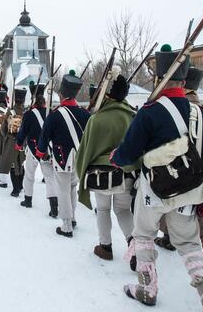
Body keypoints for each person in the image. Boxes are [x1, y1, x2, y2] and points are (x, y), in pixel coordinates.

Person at [110, 44, 203, 312]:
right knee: (189, 246)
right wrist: (200, 191)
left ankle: (146, 289)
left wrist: (116, 157)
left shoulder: (149, 112)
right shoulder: (202, 115)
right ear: (185, 81)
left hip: (153, 192)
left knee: (144, 236)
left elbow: (128, 154)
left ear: (158, 78)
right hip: (190, 192)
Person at [155, 66, 203, 262]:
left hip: (173, 175)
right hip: (199, 173)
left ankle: (170, 237)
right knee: (201, 202)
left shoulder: (166, 111)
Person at [75, 71, 136, 261]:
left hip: (101, 175)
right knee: (123, 210)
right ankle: (135, 247)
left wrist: (81, 171)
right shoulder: (134, 117)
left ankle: (105, 247)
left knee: (102, 210)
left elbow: (85, 152)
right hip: (126, 173)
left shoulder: (96, 119)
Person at [36, 70, 90, 238]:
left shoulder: (54, 115)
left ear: (62, 94)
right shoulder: (85, 114)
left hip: (61, 158)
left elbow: (44, 137)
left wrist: (40, 151)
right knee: (72, 188)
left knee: (63, 191)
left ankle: (67, 225)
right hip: (79, 158)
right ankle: (72, 218)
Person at [16, 82, 57, 214]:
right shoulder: (50, 112)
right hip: (47, 149)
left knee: (29, 175)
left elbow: (22, 132)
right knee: (50, 178)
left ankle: (28, 200)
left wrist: (18, 143)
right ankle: (54, 207)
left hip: (33, 148)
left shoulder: (28, 114)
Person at [0, 88, 27, 197]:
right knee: (21, 163)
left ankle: (15, 189)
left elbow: (3, 129)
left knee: (13, 164)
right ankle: (20, 186)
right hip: (23, 141)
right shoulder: (26, 112)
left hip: (12, 140)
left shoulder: (10, 112)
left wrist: (7, 136)